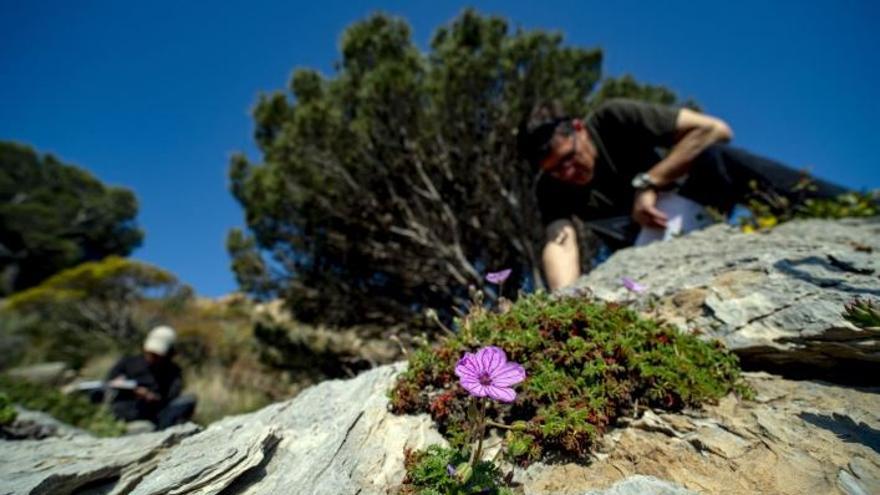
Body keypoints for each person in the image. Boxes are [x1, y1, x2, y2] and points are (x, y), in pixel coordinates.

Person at [517, 98, 848, 291]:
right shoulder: (551, 187)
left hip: (689, 207)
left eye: (569, 158)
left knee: (716, 157)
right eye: (555, 169)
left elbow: (713, 129)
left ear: (578, 128)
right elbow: (558, 242)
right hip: (642, 254)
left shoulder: (613, 117)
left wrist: (650, 182)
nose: (568, 173)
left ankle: (849, 209)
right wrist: (566, 301)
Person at [105, 325, 196, 429]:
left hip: (157, 411)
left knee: (188, 400)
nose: (151, 357)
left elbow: (171, 396)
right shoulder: (128, 362)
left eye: (156, 355)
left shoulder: (173, 371)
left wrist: (151, 397)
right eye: (150, 353)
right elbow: (109, 380)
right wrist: (129, 388)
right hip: (128, 407)